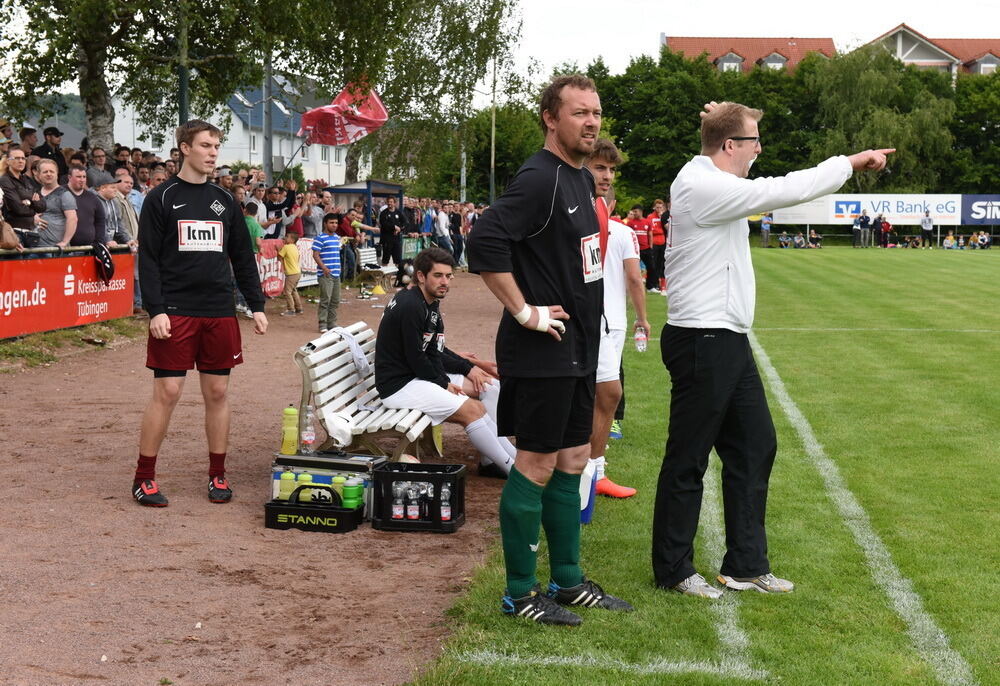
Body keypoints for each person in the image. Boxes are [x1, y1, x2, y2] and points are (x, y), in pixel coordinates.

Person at [653, 99, 892, 598]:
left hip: (726, 337)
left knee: (756, 445)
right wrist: (849, 162)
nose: (759, 150)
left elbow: (758, 171)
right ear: (728, 146)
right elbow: (783, 189)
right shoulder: (705, 185)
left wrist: (731, 115)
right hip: (702, 337)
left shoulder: (715, 179)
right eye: (752, 141)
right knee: (688, 458)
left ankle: (744, 564)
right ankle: (673, 569)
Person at [467, 74, 633, 626]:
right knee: (536, 465)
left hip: (578, 348)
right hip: (543, 350)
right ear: (550, 117)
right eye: (579, 112)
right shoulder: (540, 178)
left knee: (574, 459)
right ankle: (519, 592)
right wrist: (525, 311)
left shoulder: (582, 180)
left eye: (596, 112)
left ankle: (566, 582)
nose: (591, 121)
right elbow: (484, 239)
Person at [133, 119, 268, 507]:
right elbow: (150, 261)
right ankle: (144, 478)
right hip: (175, 310)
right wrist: (155, 309)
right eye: (206, 145)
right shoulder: (161, 198)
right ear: (184, 148)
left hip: (218, 310)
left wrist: (255, 304)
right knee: (169, 390)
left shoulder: (225, 201)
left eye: (216, 147)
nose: (213, 153)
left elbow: (242, 256)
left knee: (218, 391)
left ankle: (217, 475)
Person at [375, 247, 517, 477]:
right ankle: (513, 469)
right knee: (472, 410)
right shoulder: (411, 306)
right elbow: (416, 357)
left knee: (489, 386)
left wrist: (472, 367)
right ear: (421, 276)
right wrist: (443, 383)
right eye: (438, 276)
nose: (445, 282)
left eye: (448, 276)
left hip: (415, 376)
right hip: (399, 386)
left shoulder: (426, 300)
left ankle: (504, 460)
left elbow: (433, 350)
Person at [583, 138, 649, 499]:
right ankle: (586, 472)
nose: (607, 176)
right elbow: (634, 279)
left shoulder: (620, 230)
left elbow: (634, 279)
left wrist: (638, 318)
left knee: (605, 394)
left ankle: (594, 472)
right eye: (599, 167)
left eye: (610, 170)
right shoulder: (574, 216)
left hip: (609, 321)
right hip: (589, 321)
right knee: (606, 393)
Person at [35, 158, 77, 248]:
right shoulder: (35, 193)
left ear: (57, 174)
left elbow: (72, 219)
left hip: (56, 249)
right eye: (45, 172)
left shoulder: (65, 194)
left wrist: (65, 242)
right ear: (38, 175)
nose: (49, 174)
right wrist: (33, 217)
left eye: (52, 171)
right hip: (35, 247)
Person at [1, 148, 45, 230]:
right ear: (8, 161)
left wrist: (28, 202)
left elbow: (43, 206)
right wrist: (34, 210)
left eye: (23, 158)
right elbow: (18, 208)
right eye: (17, 158)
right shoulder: (4, 180)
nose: (21, 161)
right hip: (14, 230)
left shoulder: (27, 179)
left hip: (31, 229)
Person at [313, 213, 342, 333]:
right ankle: (322, 324)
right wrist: (324, 267)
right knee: (326, 299)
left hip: (336, 273)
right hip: (325, 274)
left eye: (336, 223)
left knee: (335, 300)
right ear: (325, 223)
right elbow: (315, 255)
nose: (334, 225)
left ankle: (332, 323)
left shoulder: (336, 237)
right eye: (331, 222)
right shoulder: (320, 238)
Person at [65, 165, 106, 246]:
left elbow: (100, 221)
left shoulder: (93, 197)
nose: (82, 180)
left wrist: (98, 242)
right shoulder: (60, 193)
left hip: (89, 249)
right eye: (78, 177)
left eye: (84, 177)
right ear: (69, 177)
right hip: (65, 249)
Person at [377, 196, 405, 278]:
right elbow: (384, 224)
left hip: (396, 239)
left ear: (394, 203)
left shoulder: (398, 212)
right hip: (386, 239)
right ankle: (383, 276)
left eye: (391, 202)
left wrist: (399, 229)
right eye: (388, 202)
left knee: (398, 259)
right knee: (386, 258)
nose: (390, 203)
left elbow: (405, 223)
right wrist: (394, 227)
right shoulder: (383, 213)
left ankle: (398, 276)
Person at [277, 231, 304, 316]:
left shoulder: (286, 247)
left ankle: (291, 310)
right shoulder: (295, 247)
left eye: (287, 236)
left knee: (287, 292)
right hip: (297, 272)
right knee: (293, 290)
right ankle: (299, 308)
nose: (285, 237)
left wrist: (278, 249)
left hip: (291, 273)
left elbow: (279, 256)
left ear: (292, 240)